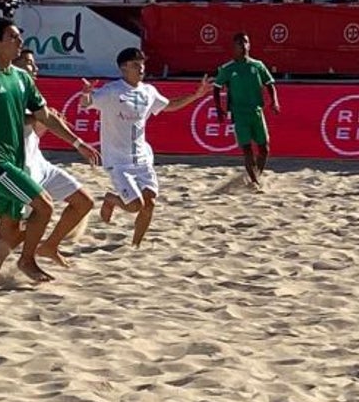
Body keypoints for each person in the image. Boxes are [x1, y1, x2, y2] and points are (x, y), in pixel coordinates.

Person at [0, 18, 100, 287]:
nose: (20, 42)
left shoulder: (21, 78)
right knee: (44, 206)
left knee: (9, 227)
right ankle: (27, 260)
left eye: (19, 37)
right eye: (13, 37)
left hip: (18, 162)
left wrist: (78, 144)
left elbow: (46, 117)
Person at [83, 48, 212, 247]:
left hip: (142, 158)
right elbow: (87, 103)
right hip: (118, 161)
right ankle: (111, 199)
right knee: (135, 205)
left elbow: (169, 105)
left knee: (149, 202)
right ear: (123, 68)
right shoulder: (112, 91)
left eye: (142, 63)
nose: (141, 67)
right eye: (136, 64)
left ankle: (135, 246)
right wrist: (86, 94)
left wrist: (195, 95)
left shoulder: (149, 91)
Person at [213, 32, 280, 190]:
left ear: (249, 45)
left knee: (264, 148)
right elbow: (216, 88)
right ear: (234, 47)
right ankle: (255, 183)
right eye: (239, 44)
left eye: (245, 43)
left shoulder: (257, 65)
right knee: (247, 148)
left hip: (256, 112)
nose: (243, 46)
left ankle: (256, 175)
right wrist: (219, 108)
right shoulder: (228, 68)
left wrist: (274, 101)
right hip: (239, 113)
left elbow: (270, 83)